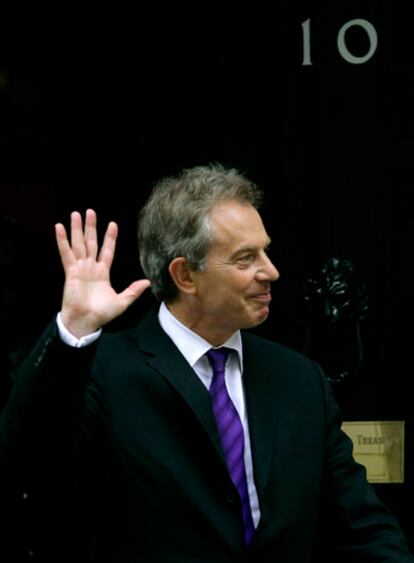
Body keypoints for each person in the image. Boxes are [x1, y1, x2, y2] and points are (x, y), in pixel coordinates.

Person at [0, 163, 412, 562]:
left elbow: (361, 528)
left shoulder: (299, 379)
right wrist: (73, 330)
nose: (271, 271)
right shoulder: (102, 372)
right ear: (185, 276)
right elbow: (30, 461)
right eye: (245, 258)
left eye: (265, 252)